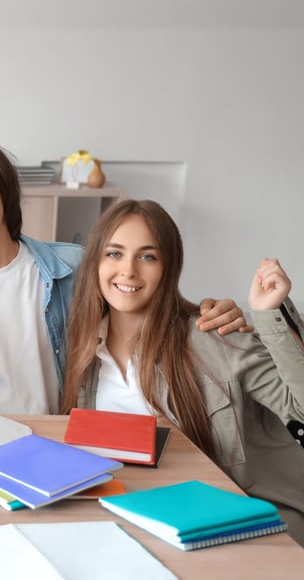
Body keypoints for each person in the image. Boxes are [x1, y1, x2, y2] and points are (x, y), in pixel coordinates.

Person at [0, 134, 247, 414]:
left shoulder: (76, 268)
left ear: (2, 187)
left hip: (71, 444)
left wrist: (205, 313)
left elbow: (151, 313)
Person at [60, 199, 304, 544]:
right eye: (114, 253)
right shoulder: (79, 351)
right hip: (122, 514)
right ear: (95, 262)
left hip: (217, 523)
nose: (128, 270)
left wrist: (268, 314)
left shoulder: (214, 339)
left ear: (169, 268)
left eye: (147, 256)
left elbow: (299, 409)